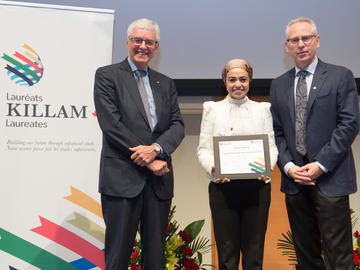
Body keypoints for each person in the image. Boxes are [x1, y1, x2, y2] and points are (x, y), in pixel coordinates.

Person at [93, 18, 184, 269]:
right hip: (121, 180)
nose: (143, 46)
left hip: (159, 182)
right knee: (118, 256)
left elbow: (177, 125)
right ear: (127, 42)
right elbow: (112, 125)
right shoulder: (107, 75)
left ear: (156, 46)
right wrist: (149, 160)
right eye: (137, 40)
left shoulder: (165, 83)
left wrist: (156, 150)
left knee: (155, 259)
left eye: (149, 42)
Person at [270, 17, 360, 270]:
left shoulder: (340, 76)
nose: (301, 44)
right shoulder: (279, 84)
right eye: (294, 40)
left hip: (330, 178)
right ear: (286, 46)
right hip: (295, 182)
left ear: (317, 41)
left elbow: (349, 124)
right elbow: (276, 132)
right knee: (306, 257)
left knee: (338, 257)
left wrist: (321, 164)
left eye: (306, 38)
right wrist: (288, 166)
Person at [197, 59, 278, 270]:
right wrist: (213, 169)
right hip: (222, 188)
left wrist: (266, 168)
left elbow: (271, 147)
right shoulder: (212, 109)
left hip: (257, 188)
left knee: (254, 253)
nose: (238, 84)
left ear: (250, 81)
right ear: (225, 82)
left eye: (243, 79)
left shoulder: (263, 109)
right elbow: (203, 150)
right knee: (227, 255)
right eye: (232, 80)